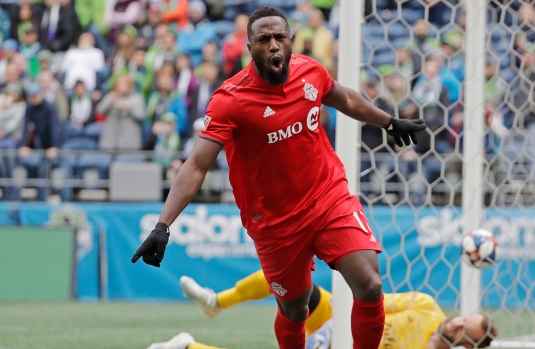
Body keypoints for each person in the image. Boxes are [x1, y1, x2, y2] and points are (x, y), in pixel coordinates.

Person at [131, 6, 426, 349]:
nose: (273, 45)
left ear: (291, 41)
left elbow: (343, 96)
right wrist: (163, 225)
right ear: (249, 46)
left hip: (328, 198)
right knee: (296, 309)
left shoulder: (310, 72)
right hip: (275, 222)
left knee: (370, 285)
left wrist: (388, 122)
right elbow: (197, 164)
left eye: (279, 38)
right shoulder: (231, 100)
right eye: (264, 39)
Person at [145, 272, 498, 349]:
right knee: (286, 274)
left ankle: (187, 347)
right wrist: (333, 328)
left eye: (469, 330)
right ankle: (215, 303)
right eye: (467, 318)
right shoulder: (426, 306)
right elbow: (372, 303)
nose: (460, 324)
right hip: (336, 320)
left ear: (468, 346)